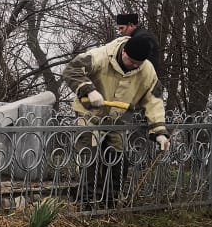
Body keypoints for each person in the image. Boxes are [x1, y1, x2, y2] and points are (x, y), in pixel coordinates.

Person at [62, 35, 169, 209]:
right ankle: (85, 205)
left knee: (118, 160)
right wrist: (88, 90)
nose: (135, 66)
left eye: (139, 63)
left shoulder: (147, 70)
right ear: (124, 51)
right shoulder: (100, 56)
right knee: (90, 159)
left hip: (118, 120)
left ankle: (109, 204)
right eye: (132, 61)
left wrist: (159, 131)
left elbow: (154, 100)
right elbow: (72, 69)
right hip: (90, 116)